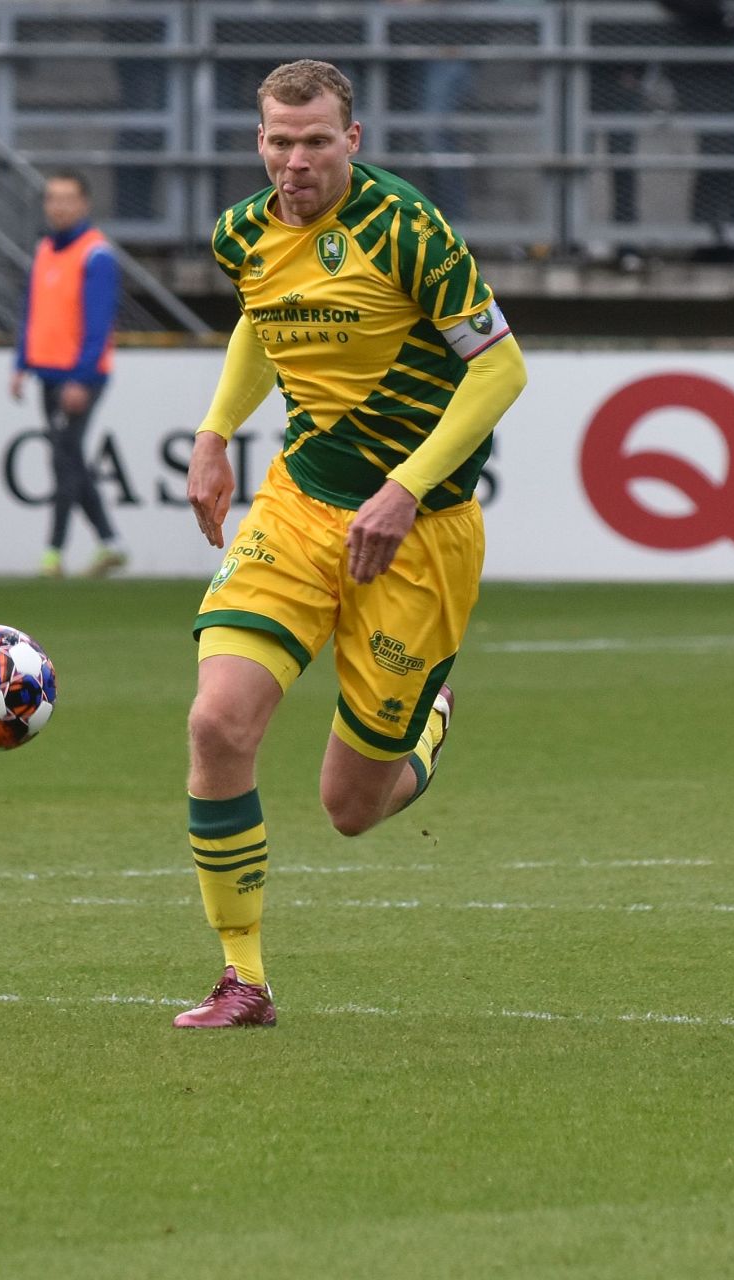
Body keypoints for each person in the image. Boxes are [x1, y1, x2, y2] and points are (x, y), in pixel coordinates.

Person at [171, 59, 528, 1028]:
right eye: (279, 142)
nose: (296, 162)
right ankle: (244, 978)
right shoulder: (244, 233)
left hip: (420, 534)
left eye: (316, 141)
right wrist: (215, 433)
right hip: (298, 506)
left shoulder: (406, 227)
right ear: (260, 143)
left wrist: (405, 490)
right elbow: (262, 316)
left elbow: (501, 369)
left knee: (352, 803)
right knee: (217, 725)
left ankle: (433, 712)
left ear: (353, 141)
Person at [10, 170, 127, 579]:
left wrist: (81, 377)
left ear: (84, 204)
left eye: (67, 198)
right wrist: (21, 363)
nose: (58, 206)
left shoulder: (96, 255)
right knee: (69, 458)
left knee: (64, 460)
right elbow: (34, 311)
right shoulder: (45, 248)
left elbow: (99, 325)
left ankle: (54, 551)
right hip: (48, 372)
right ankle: (110, 543)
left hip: (79, 377)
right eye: (52, 198)